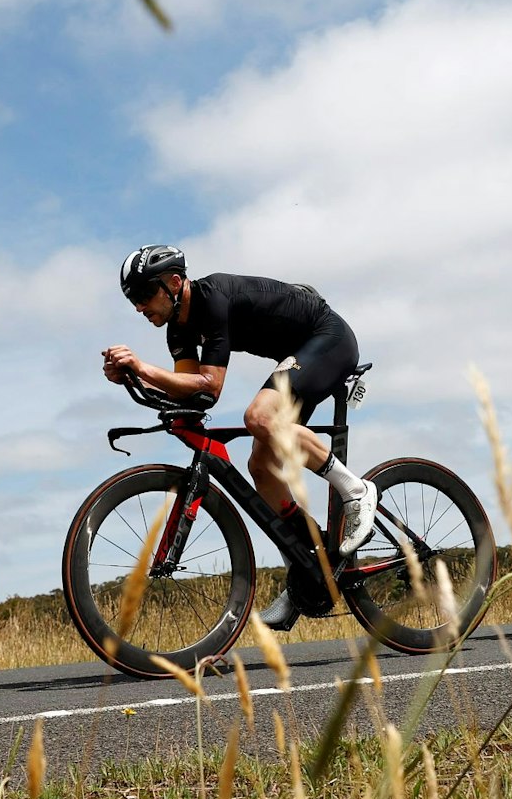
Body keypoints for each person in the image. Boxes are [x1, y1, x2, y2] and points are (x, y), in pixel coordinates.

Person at [102, 245, 374, 631]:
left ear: (175, 283)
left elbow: (209, 386)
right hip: (295, 355)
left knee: (258, 416)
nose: (139, 307)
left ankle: (356, 490)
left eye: (145, 294)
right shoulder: (178, 330)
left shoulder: (212, 300)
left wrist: (142, 367)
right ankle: (308, 568)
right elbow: (190, 392)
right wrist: (132, 377)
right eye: (133, 299)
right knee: (261, 468)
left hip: (327, 338)